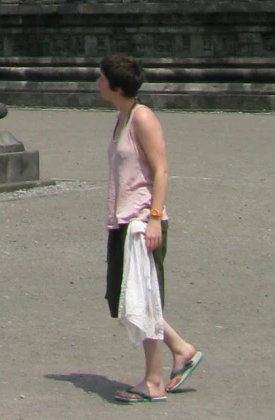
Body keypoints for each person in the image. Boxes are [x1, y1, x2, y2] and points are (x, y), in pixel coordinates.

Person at [98, 53, 204, 402]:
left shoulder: (142, 117)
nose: (97, 84)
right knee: (124, 298)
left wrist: (155, 217)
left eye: (101, 79)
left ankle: (154, 381)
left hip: (143, 222)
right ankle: (181, 348)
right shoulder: (122, 117)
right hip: (122, 221)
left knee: (143, 301)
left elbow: (161, 170)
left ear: (116, 87)